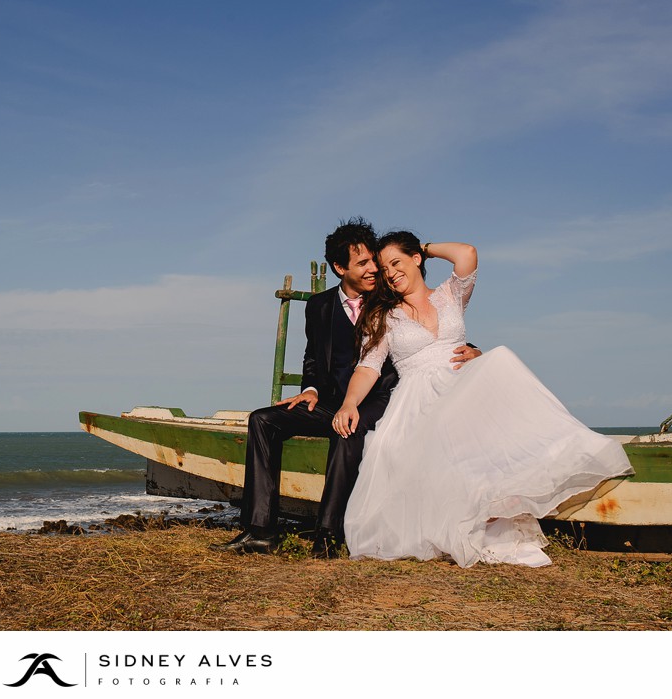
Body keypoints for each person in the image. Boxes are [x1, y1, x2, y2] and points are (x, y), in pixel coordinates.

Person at [334, 231, 634, 568]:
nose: (390, 273)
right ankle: (462, 526)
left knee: (501, 358)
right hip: (418, 398)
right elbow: (368, 367)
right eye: (385, 268)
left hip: (462, 388)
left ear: (416, 259)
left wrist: (426, 248)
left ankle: (498, 514)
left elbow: (467, 253)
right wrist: (349, 404)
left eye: (396, 262)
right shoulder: (384, 315)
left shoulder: (450, 294)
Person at [212, 218, 480, 558]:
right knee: (263, 420)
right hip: (333, 400)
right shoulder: (319, 306)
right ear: (340, 268)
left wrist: (474, 349)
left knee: (348, 431)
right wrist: (310, 388)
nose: (374, 271)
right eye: (364, 263)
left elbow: (435, 335)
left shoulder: (388, 297)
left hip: (383, 399)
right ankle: (261, 530)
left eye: (377, 263)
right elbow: (313, 355)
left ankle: (328, 535)